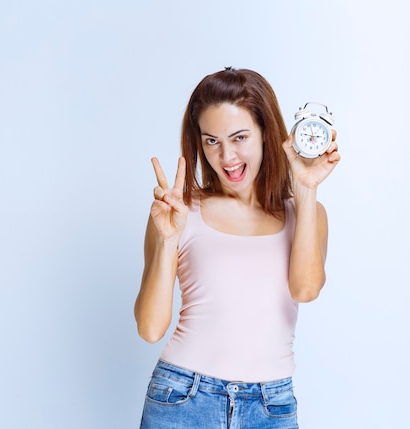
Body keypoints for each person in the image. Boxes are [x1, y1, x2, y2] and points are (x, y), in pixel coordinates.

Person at [134, 67, 340, 428]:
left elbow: (305, 290)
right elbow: (150, 329)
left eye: (239, 137)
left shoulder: (307, 213)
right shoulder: (180, 212)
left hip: (270, 406)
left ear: (266, 132)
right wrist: (168, 239)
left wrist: (306, 188)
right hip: (182, 398)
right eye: (211, 141)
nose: (227, 156)